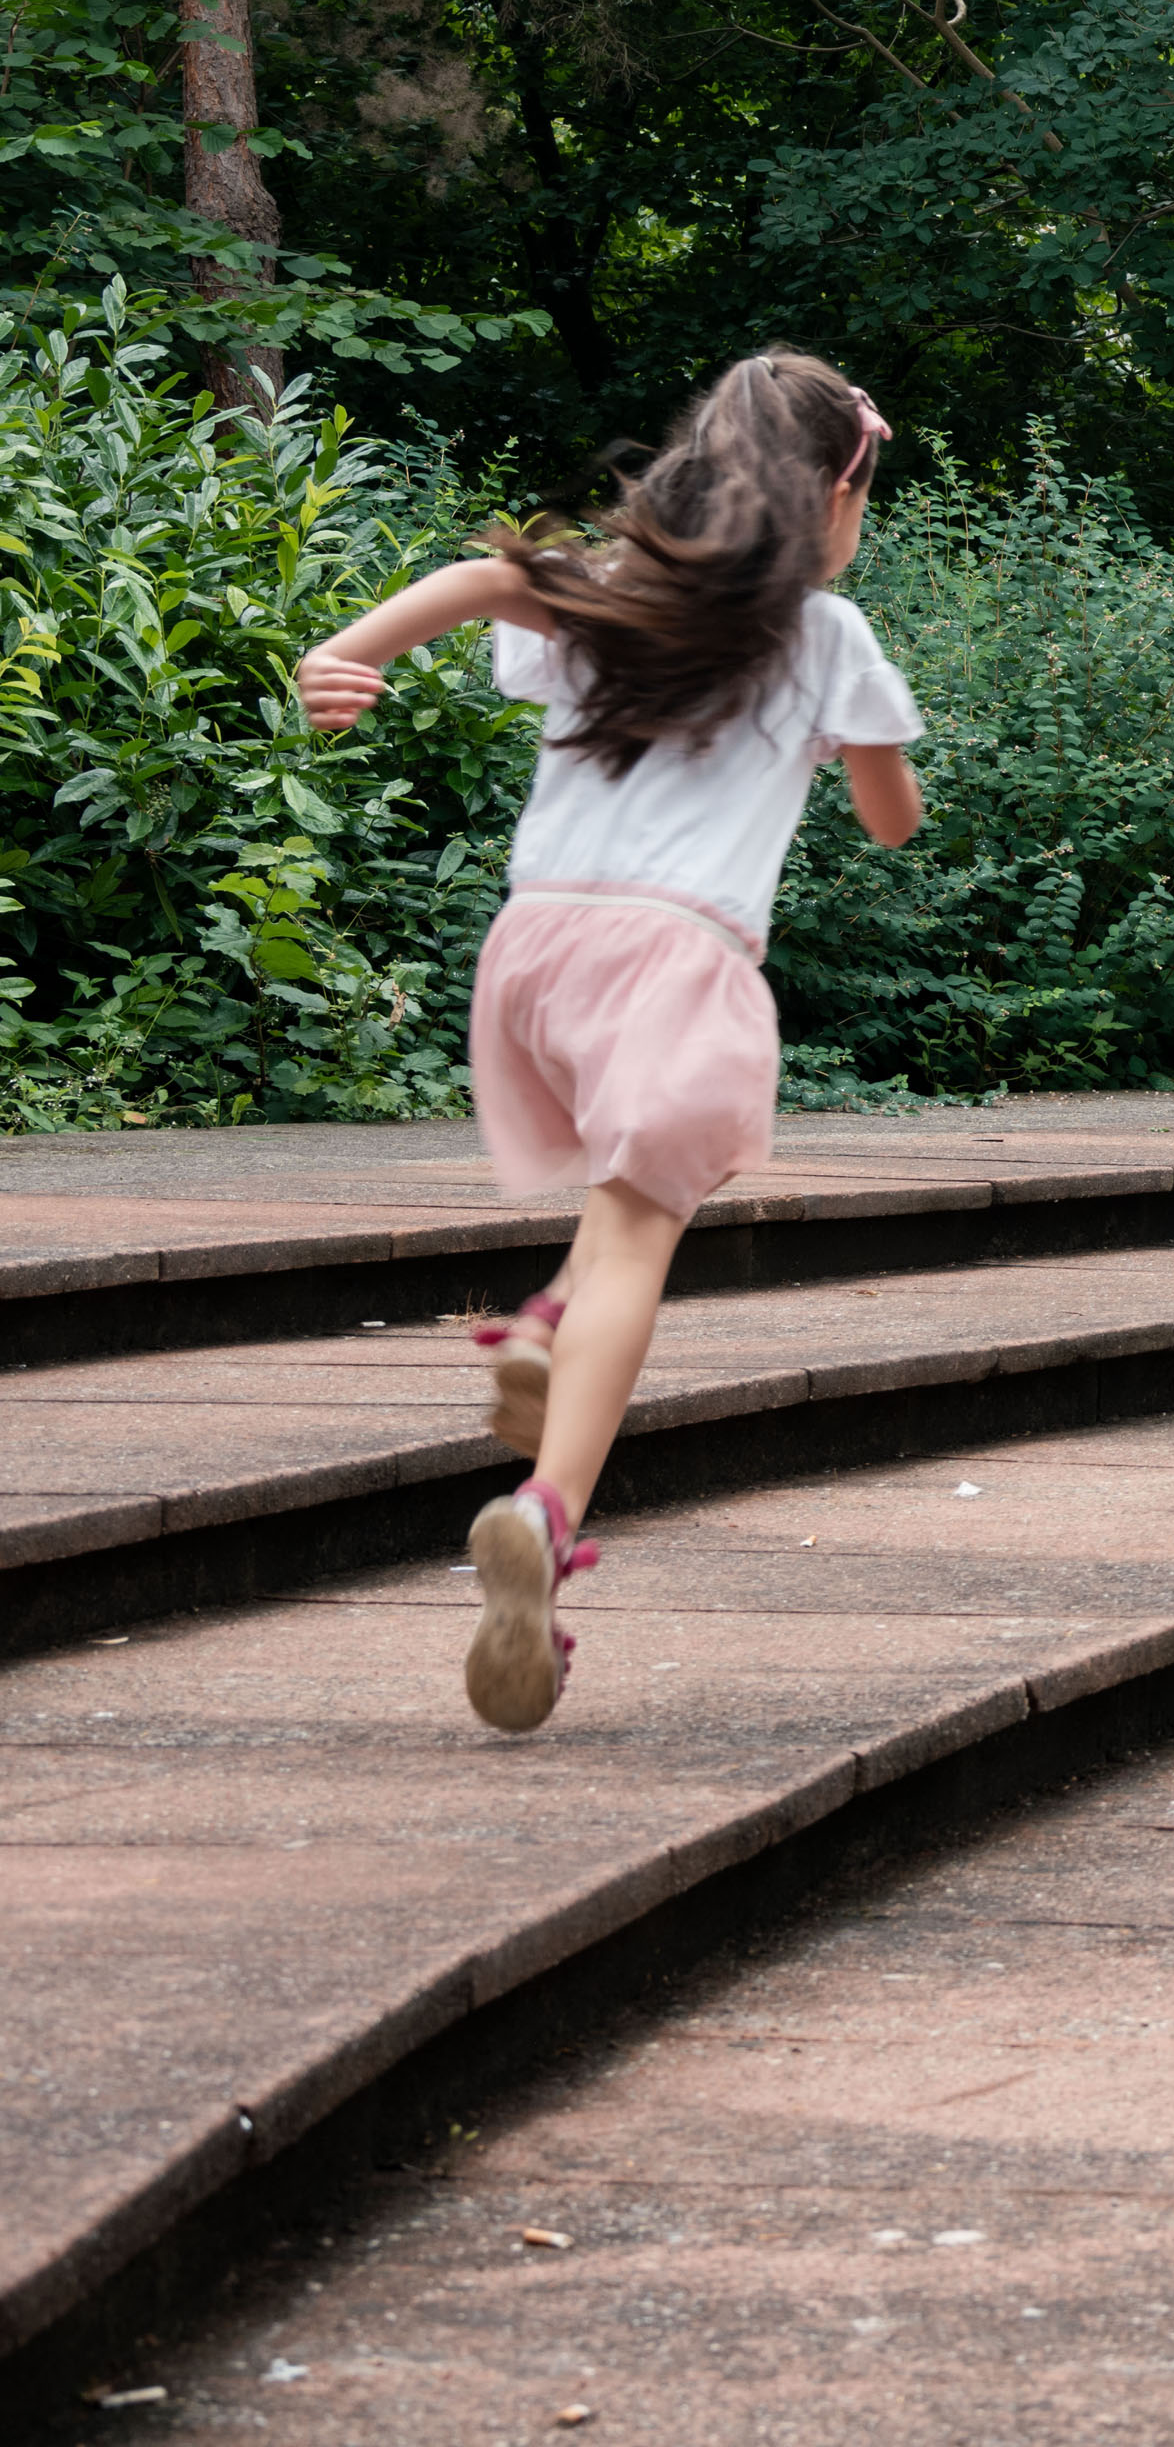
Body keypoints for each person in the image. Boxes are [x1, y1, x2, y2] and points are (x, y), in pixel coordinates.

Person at [296, 352, 928, 1730]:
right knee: (647, 1224)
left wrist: (347, 653)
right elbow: (894, 823)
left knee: (617, 1182)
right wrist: (862, 751)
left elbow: (487, 582)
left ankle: (544, 1325)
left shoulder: (605, 586)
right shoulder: (829, 640)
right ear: (836, 489)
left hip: (536, 952)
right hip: (679, 956)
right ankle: (545, 1509)